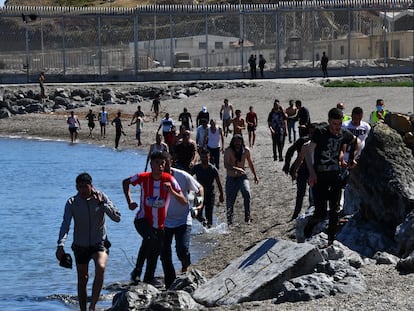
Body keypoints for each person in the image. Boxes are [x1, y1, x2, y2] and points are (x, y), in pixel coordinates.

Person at [56, 172, 121, 311]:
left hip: (99, 242)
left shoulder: (101, 197)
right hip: (80, 245)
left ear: (91, 186)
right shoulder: (72, 203)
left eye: (86, 186)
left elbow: (117, 217)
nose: (83, 190)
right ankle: (83, 309)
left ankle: (92, 306)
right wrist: (60, 245)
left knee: (101, 267)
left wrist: (102, 204)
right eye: (80, 187)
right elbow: (65, 225)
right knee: (82, 278)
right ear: (76, 188)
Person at [123, 151, 185, 286]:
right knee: (149, 238)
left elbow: (184, 201)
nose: (159, 166)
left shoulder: (169, 179)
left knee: (154, 255)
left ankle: (146, 282)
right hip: (142, 220)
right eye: (156, 162)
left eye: (162, 163)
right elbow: (125, 182)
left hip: (160, 226)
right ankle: (137, 270)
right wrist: (129, 201)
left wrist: (172, 192)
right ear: (151, 164)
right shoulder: (143, 177)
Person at [305, 108, 360, 245]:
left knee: (335, 210)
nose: (337, 127)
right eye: (334, 124)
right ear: (329, 121)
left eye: (339, 124)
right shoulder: (320, 132)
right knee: (321, 212)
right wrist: (311, 172)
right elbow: (308, 152)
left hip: (335, 175)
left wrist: (352, 158)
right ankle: (308, 229)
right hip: (319, 176)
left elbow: (356, 142)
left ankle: (331, 240)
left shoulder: (343, 133)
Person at [161, 154, 204, 289]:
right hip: (165, 221)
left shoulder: (182, 175)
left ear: (171, 162)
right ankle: (170, 282)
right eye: (161, 164)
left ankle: (185, 265)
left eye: (167, 164)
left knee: (182, 249)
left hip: (183, 219)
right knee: (164, 254)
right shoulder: (156, 177)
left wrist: (198, 204)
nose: (164, 167)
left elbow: (199, 188)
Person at [283, 124, 316, 220]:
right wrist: (288, 166)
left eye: (314, 133)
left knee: (312, 193)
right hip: (302, 169)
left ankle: (311, 212)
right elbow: (291, 151)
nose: (312, 135)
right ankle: (296, 213)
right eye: (310, 133)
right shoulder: (303, 141)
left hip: (312, 170)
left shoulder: (320, 143)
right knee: (300, 192)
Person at [223, 134, 259, 225]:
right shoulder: (228, 151)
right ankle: (229, 220)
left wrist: (255, 175)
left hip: (242, 177)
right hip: (231, 177)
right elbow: (226, 165)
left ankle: (247, 216)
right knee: (230, 199)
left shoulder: (246, 150)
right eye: (236, 142)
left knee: (247, 193)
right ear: (233, 142)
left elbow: (250, 163)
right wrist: (235, 168)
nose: (237, 143)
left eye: (239, 142)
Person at [191, 149, 225, 228]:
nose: (204, 159)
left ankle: (208, 230)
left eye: (206, 157)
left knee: (209, 215)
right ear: (200, 157)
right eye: (202, 157)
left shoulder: (213, 169)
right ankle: (205, 224)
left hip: (210, 194)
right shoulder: (196, 168)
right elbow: (189, 178)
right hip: (199, 195)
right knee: (196, 214)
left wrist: (221, 194)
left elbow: (218, 182)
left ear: (209, 157)